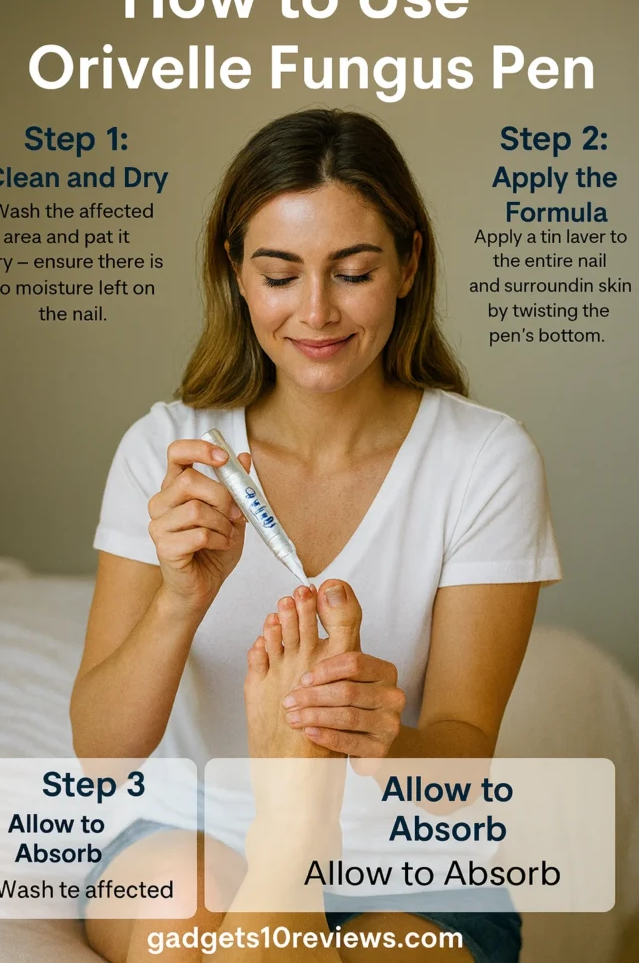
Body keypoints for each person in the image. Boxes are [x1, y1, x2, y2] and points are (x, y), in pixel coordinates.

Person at [70, 108, 562, 963]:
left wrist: (381, 737)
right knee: (193, 940)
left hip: (414, 866)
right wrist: (177, 603)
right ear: (236, 273)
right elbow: (102, 753)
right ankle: (290, 837)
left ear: (408, 264)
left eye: (353, 271)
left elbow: (457, 766)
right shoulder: (169, 448)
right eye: (280, 274)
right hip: (191, 835)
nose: (317, 312)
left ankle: (293, 838)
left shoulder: (484, 459)